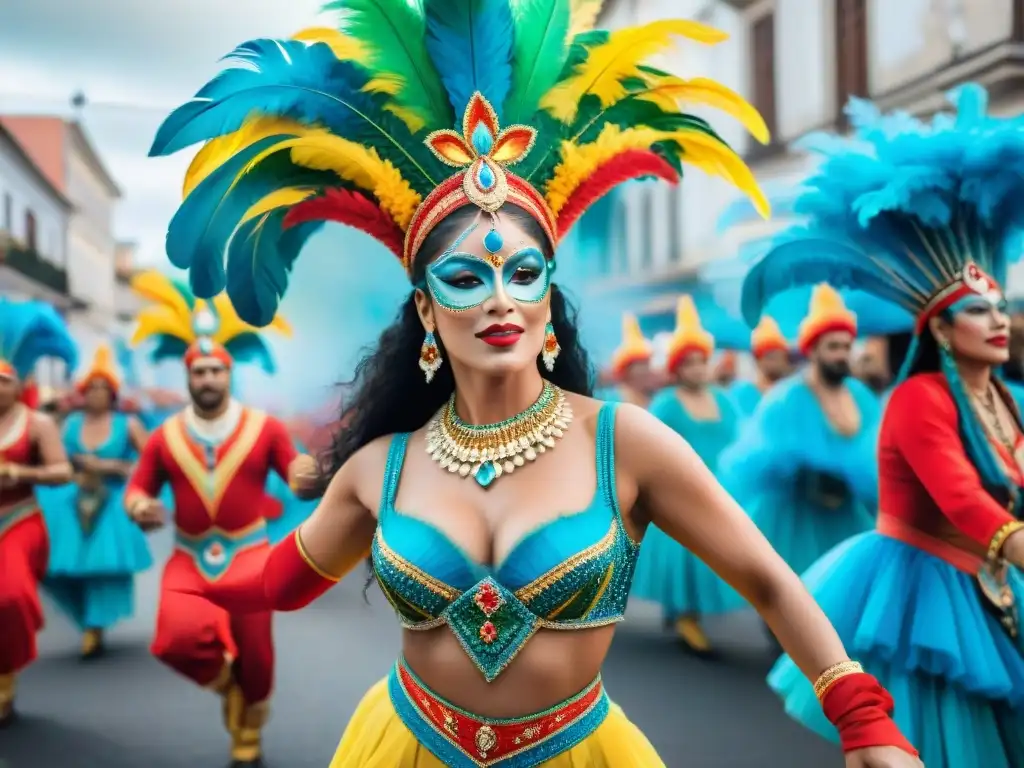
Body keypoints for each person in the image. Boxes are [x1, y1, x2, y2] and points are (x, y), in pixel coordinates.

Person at [148, 3, 921, 766]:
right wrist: (196, 584)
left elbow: (769, 581)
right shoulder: (378, 468)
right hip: (405, 746)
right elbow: (280, 581)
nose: (499, 299)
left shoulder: (628, 445)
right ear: (424, 307)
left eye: (523, 274)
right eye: (464, 277)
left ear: (548, 300)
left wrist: (863, 719)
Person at [747, 84, 1024, 767]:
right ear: (939, 327)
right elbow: (960, 495)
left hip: (994, 579)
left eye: (1001, 308)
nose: (999, 322)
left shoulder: (1007, 397)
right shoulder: (918, 399)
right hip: (923, 597)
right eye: (978, 311)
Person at [124, 277, 316, 767]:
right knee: (174, 641)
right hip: (189, 557)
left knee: (259, 657)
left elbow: (291, 466)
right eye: (199, 372)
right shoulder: (164, 436)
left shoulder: (263, 427)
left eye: (215, 371)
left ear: (228, 374)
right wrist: (138, 507)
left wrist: (305, 472)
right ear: (187, 378)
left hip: (250, 555)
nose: (208, 379)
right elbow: (138, 488)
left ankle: (247, 729)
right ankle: (230, 687)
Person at [720, 284, 880, 579]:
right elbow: (759, 459)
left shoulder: (861, 396)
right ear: (813, 350)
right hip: (795, 520)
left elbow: (876, 453)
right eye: (833, 347)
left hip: (847, 518)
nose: (842, 355)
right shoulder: (786, 398)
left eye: (847, 347)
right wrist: (804, 470)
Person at [630, 296, 744, 654]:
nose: (697, 369)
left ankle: (686, 611)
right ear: (677, 368)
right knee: (684, 553)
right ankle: (685, 616)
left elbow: (740, 442)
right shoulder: (665, 403)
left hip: (718, 489)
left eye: (701, 362)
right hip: (680, 490)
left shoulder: (724, 400)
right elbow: (653, 448)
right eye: (689, 363)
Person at [40, 345, 153, 659]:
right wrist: (74, 468)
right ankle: (86, 618)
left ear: (113, 394)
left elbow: (151, 463)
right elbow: (55, 460)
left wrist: (111, 467)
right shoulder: (71, 424)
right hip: (71, 499)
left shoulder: (127, 425)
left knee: (100, 568)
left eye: (103, 388)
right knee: (51, 566)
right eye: (91, 388)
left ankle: (95, 626)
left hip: (111, 502)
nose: (97, 394)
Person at [0, 299, 76, 725]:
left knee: (8, 596)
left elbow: (62, 471)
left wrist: (17, 470)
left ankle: (4, 678)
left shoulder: (37, 424)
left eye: (2, 380)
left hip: (20, 518)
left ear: (17, 383)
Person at [730, 314, 793, 417]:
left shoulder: (792, 393)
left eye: (780, 356)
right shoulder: (743, 393)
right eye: (770, 357)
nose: (777, 362)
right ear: (757, 360)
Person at [604, 313, 657, 407]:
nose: (645, 370)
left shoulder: (654, 398)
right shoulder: (611, 399)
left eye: (646, 364)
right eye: (639, 365)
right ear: (626, 371)